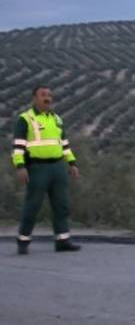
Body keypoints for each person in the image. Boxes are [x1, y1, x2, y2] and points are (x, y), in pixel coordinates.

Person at [11, 85, 81, 254]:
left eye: (49, 95)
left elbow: (64, 144)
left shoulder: (57, 119)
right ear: (34, 98)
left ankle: (62, 240)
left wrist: (72, 163)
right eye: (43, 95)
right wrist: (20, 167)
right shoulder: (25, 119)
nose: (47, 98)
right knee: (32, 205)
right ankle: (23, 240)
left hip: (58, 167)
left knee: (62, 205)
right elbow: (18, 147)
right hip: (37, 168)